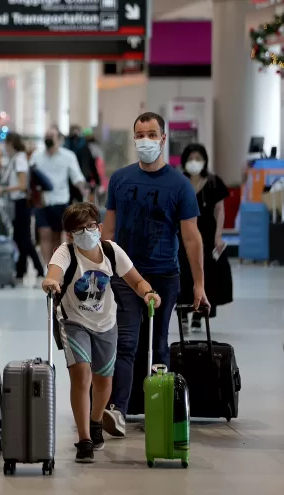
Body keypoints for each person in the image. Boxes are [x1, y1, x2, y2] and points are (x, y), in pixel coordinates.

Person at [101, 112, 209, 437]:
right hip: (125, 274)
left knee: (159, 343)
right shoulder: (120, 179)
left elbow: (191, 237)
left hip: (164, 275)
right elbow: (108, 228)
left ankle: (157, 408)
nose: (145, 140)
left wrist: (200, 285)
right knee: (127, 341)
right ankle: (117, 409)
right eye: (140, 134)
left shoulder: (179, 185)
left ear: (163, 139)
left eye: (151, 134)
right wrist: (103, 270)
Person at [41, 202, 161, 463]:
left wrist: (148, 292)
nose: (87, 232)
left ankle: (96, 422)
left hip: (106, 323)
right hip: (74, 322)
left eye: (91, 226)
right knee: (82, 376)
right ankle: (84, 439)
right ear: (70, 234)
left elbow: (136, 280)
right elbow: (54, 273)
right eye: (79, 229)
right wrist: (51, 282)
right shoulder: (65, 252)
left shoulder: (111, 251)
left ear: (100, 227)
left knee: (104, 381)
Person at [177, 143, 233, 331]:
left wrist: (219, 236)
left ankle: (199, 316)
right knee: (183, 275)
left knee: (206, 274)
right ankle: (183, 313)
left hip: (207, 236)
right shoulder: (179, 181)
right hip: (182, 235)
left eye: (198, 158)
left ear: (205, 161)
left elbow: (220, 210)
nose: (194, 162)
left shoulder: (213, 182)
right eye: (191, 158)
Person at [0, 132, 45, 280]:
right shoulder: (15, 159)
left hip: (22, 203)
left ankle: (38, 268)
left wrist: (3, 189)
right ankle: (21, 270)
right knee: (19, 238)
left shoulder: (19, 160)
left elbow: (22, 185)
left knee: (25, 238)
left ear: (10, 143)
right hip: (17, 203)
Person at [32, 128, 89, 264]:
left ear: (59, 139)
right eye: (46, 135)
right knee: (44, 234)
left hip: (60, 201)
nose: (48, 139)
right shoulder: (37, 156)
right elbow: (31, 177)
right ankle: (47, 267)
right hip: (42, 202)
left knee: (57, 236)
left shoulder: (68, 156)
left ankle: (56, 266)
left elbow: (77, 177)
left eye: (51, 136)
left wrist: (84, 191)